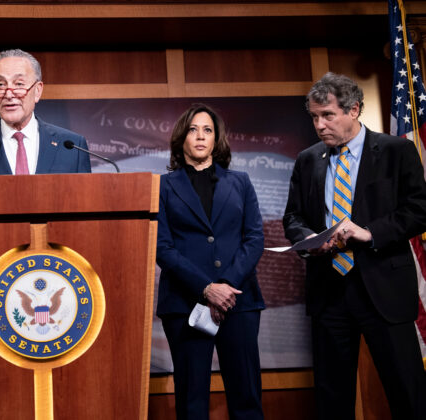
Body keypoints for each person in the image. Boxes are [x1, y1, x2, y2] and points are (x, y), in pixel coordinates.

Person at [283, 72, 426, 419]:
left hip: (384, 291)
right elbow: (293, 218)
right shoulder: (307, 160)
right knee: (333, 402)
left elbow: (418, 210)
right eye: (314, 117)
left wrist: (369, 232)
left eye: (327, 115)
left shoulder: (396, 151)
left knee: (408, 395)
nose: (319, 125)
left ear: (354, 110)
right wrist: (307, 241)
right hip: (329, 293)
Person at [156, 103, 265, 420]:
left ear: (217, 139)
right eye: (193, 129)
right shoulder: (162, 187)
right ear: (181, 138)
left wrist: (226, 287)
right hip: (184, 303)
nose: (200, 136)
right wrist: (206, 288)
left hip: (239, 301)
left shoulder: (240, 182)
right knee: (191, 400)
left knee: (246, 395)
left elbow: (254, 238)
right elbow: (163, 247)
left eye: (207, 130)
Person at [0, 49, 91, 175]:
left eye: (19, 84)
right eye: (0, 84)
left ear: (38, 91)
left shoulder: (72, 147)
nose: (8, 95)